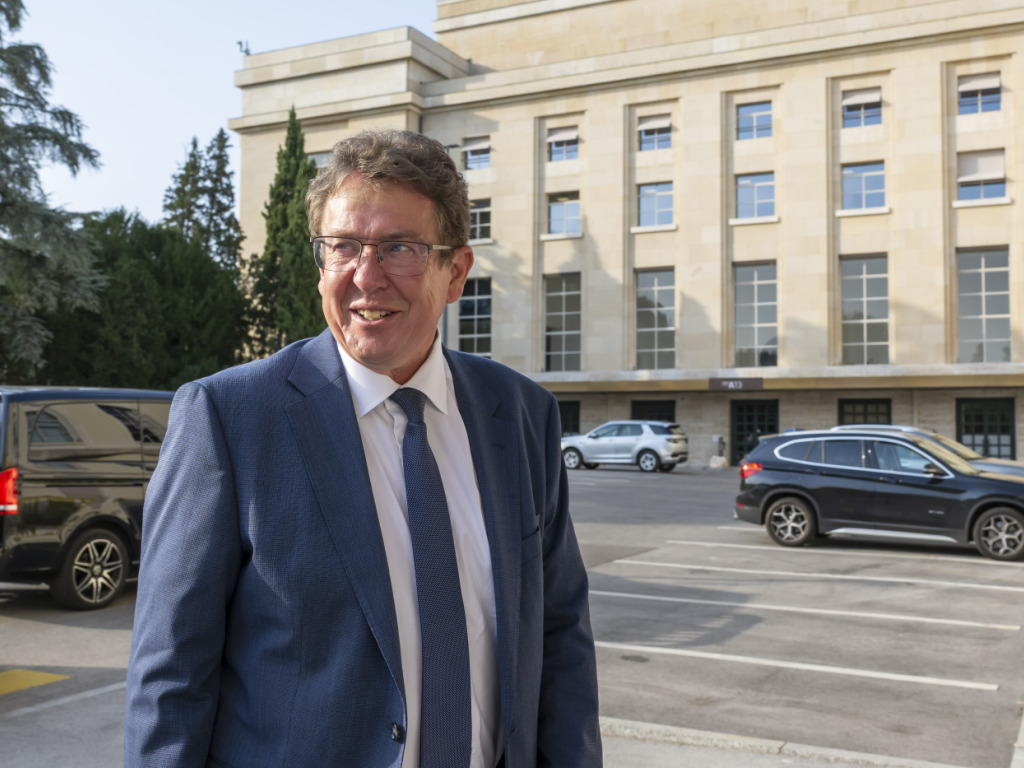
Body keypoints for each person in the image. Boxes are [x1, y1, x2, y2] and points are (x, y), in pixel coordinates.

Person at [124, 128, 602, 768]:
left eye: (400, 248)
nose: (366, 277)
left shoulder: (520, 415)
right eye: (343, 246)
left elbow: (560, 636)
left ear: (456, 271)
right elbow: (170, 675)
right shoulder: (229, 418)